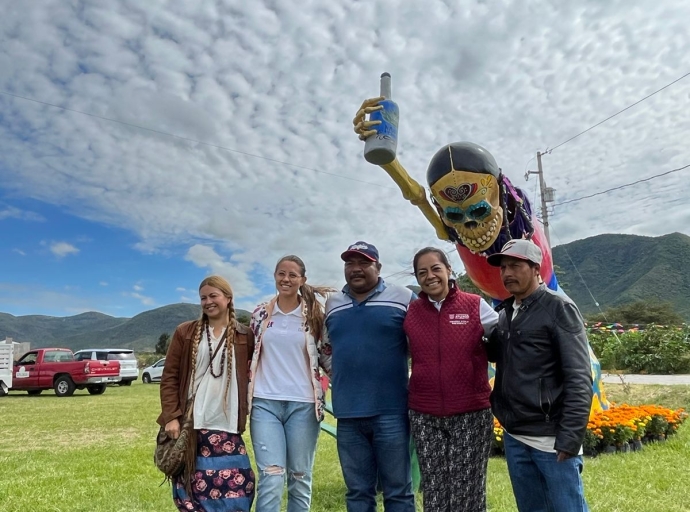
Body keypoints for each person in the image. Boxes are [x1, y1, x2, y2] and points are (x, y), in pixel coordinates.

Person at [485, 239, 593, 512]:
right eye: (503, 268)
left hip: (551, 438)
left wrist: (570, 437)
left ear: (536, 268)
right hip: (515, 435)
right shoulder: (507, 312)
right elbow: (497, 355)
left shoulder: (559, 308)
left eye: (515, 266)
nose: (507, 273)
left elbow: (579, 376)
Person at [320, 241, 416, 512]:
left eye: (364, 263)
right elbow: (326, 349)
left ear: (378, 267)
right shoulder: (332, 304)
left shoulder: (404, 297)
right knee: (358, 493)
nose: (356, 269)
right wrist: (342, 376)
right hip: (348, 414)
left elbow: (420, 343)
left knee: (398, 491)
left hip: (392, 412)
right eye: (350, 263)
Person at [403, 247, 498, 512]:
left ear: (448, 270)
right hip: (424, 414)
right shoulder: (411, 313)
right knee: (434, 490)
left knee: (467, 491)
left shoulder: (474, 305)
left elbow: (506, 338)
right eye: (422, 272)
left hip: (470, 413)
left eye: (435, 268)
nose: (430, 276)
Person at [158, 275, 256, 512]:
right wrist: (171, 416)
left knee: (239, 485)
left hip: (228, 422)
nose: (208, 301)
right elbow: (169, 377)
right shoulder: (186, 332)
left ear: (228, 298)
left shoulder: (245, 335)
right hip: (193, 424)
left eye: (213, 296)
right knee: (194, 489)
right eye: (203, 297)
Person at [248, 255, 334, 512]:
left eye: (292, 275)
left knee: (300, 477)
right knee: (272, 477)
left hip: (304, 406)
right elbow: (248, 354)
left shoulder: (316, 316)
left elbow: (327, 356)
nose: (286, 279)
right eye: (281, 273)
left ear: (302, 280)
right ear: (274, 276)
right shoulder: (261, 313)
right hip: (265, 404)